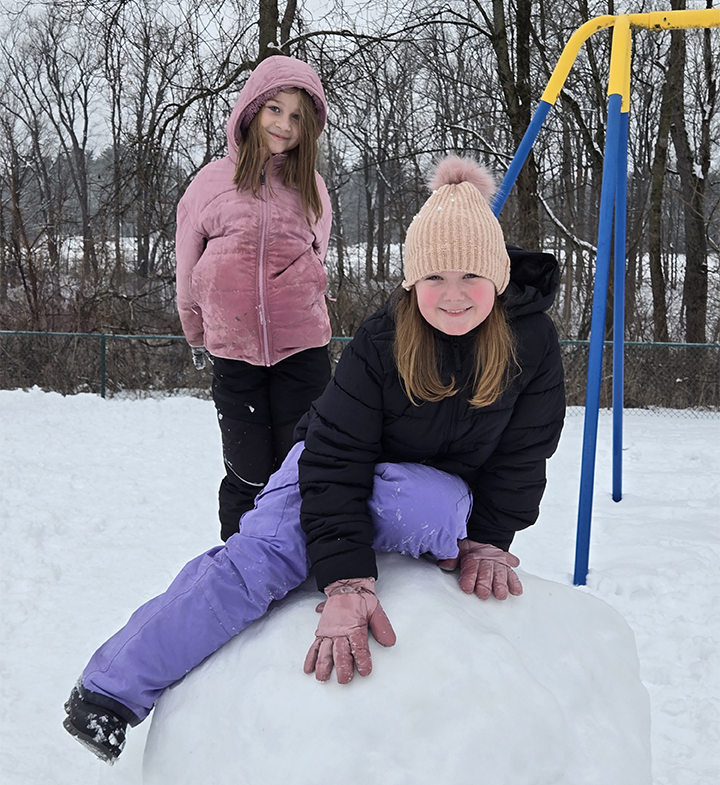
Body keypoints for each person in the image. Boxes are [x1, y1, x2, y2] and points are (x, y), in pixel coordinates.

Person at [63, 155, 566, 764]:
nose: (453, 296)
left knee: (442, 511)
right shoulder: (381, 343)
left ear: (500, 278)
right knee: (261, 559)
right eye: (434, 278)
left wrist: (487, 539)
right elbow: (335, 463)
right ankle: (111, 689)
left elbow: (523, 452)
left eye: (470, 277)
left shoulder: (531, 345)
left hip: (417, 491)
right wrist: (347, 577)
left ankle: (342, 542)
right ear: (411, 282)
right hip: (325, 468)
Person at [175, 55, 333, 542]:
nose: (284, 125)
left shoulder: (312, 189)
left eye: (297, 117)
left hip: (302, 352)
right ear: (251, 111)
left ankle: (299, 557)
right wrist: (197, 328)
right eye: (274, 110)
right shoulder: (211, 183)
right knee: (247, 468)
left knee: (299, 464)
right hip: (234, 352)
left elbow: (317, 258)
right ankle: (240, 556)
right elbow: (186, 262)